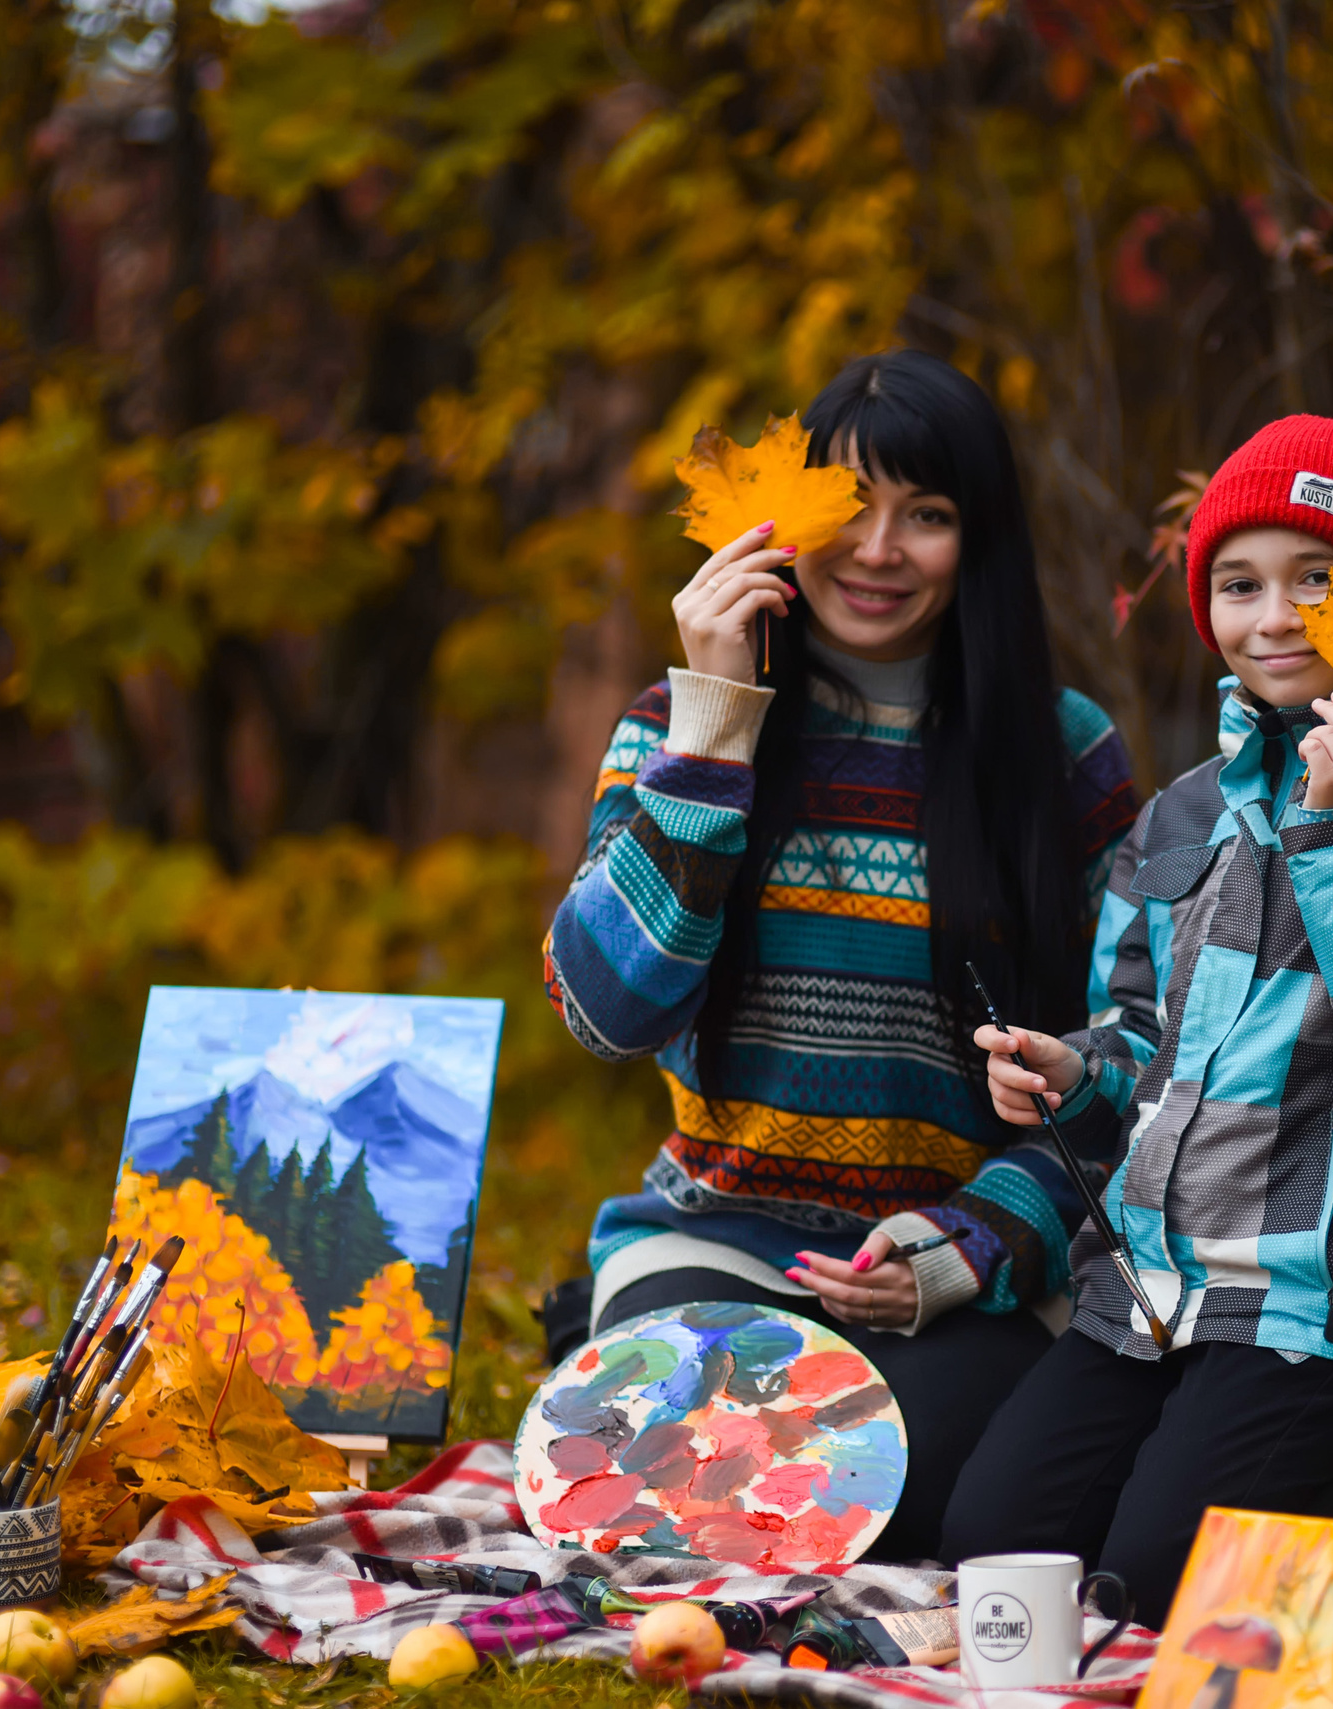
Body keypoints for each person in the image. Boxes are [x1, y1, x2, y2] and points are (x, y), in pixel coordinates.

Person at [938, 415, 1333, 1616]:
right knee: (999, 1544)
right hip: (1161, 1285)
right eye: (1238, 583)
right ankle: (1224, 1450)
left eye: (1315, 579)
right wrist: (1073, 1066)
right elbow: (1143, 1040)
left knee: (1167, 1581)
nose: (1272, 617)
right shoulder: (1183, 813)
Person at [539, 349, 1140, 1561]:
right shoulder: (675, 725)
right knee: (679, 1501)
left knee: (907, 1509)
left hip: (951, 1273)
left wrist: (971, 1244)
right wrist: (715, 728)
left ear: (979, 542)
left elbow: (1131, 1059)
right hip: (716, 1242)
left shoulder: (1061, 757)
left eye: (927, 514)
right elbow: (603, 1009)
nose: (877, 548)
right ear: (784, 519)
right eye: (848, 503)